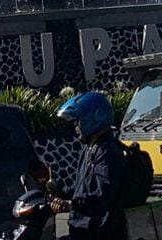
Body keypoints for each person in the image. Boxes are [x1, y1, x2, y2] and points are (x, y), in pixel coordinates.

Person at [49, 91, 126, 240]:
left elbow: (101, 196)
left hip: (97, 231)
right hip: (80, 228)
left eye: (78, 122)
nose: (76, 127)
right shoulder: (89, 148)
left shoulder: (108, 151)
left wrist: (71, 205)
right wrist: (61, 194)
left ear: (92, 119)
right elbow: (82, 189)